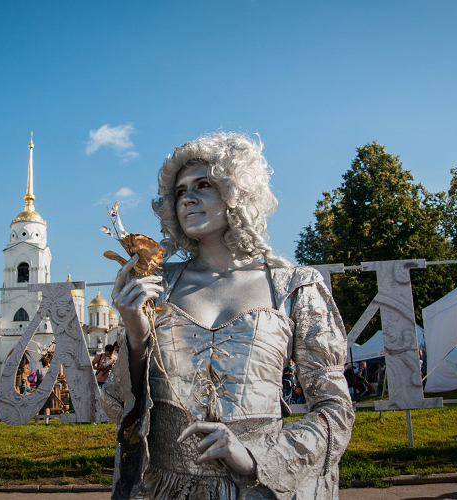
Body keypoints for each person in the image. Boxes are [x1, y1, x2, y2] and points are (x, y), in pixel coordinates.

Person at [102, 133, 354, 499]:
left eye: (203, 184)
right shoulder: (158, 287)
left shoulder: (294, 288)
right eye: (179, 191)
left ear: (236, 192)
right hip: (165, 490)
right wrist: (137, 334)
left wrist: (256, 458)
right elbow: (117, 406)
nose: (187, 197)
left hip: (256, 488)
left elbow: (335, 409)